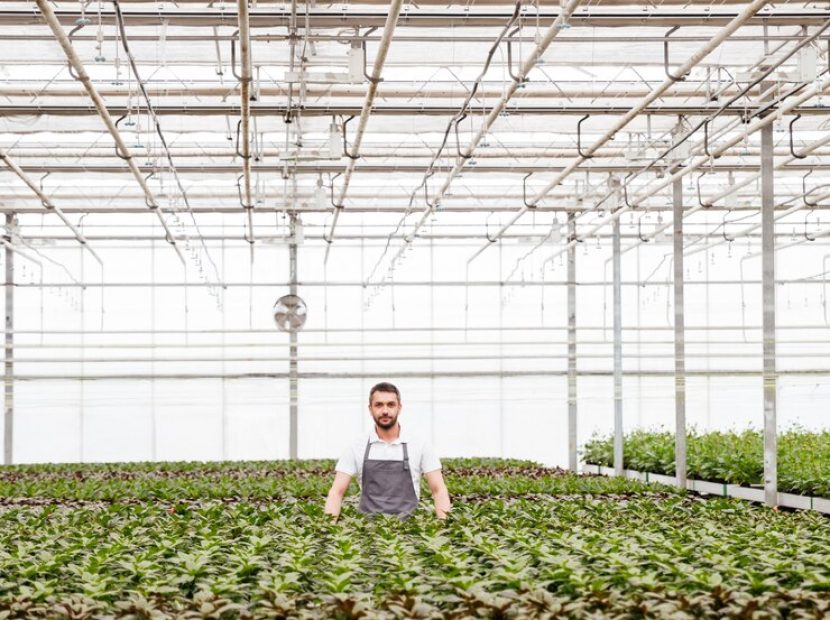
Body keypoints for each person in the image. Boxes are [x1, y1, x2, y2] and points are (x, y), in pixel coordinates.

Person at [324, 382, 451, 521]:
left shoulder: (419, 444)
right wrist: (329, 528)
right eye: (379, 405)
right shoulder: (356, 446)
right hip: (367, 533)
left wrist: (443, 529)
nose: (385, 411)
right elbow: (336, 492)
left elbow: (439, 490)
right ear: (370, 409)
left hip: (411, 532)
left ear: (399, 408)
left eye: (391, 404)